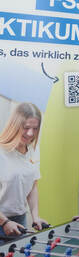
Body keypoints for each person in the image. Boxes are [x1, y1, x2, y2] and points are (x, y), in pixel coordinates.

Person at [0, 102, 48, 237]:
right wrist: (4, 222)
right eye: (26, 128)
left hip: (19, 220)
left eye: (35, 128)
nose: (30, 133)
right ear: (15, 125)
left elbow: (32, 186)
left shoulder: (33, 149)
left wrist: (35, 216)